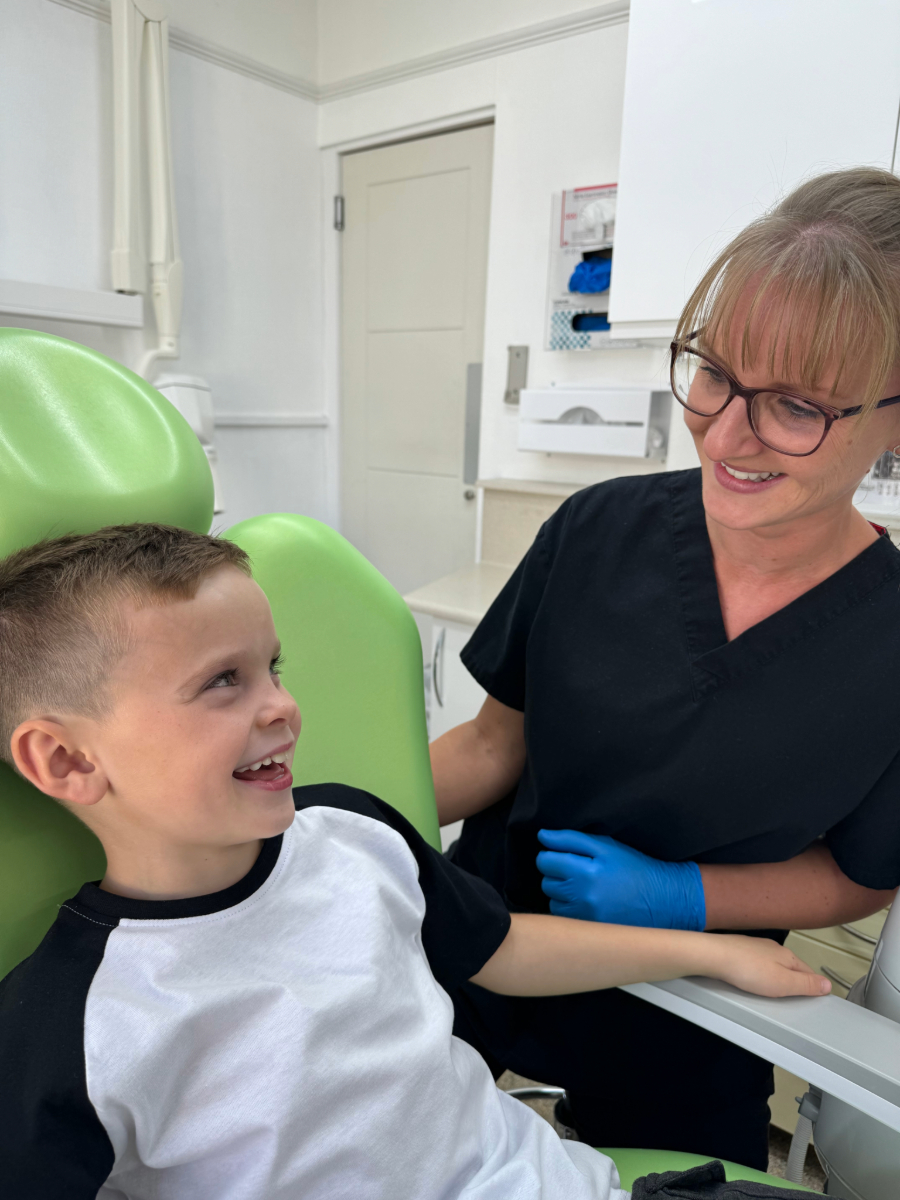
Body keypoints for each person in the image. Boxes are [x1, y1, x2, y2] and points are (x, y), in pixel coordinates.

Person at [0, 525, 827, 1199]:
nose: (284, 706)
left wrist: (716, 948)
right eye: (223, 682)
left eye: (272, 668)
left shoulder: (351, 835)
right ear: (68, 762)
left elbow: (501, 950)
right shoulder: (72, 1029)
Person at [431, 166, 900, 1170]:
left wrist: (687, 896)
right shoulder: (595, 531)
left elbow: (856, 878)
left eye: (796, 407)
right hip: (486, 934)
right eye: (715, 372)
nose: (727, 433)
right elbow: (486, 747)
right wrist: (334, 813)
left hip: (693, 1003)